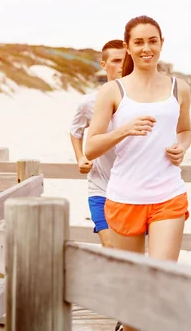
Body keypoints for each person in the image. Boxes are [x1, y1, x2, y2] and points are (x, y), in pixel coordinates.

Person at [85, 15, 191, 260]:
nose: (147, 48)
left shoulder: (179, 88)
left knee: (163, 275)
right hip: (125, 196)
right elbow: (90, 148)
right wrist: (124, 130)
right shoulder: (112, 91)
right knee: (131, 281)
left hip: (169, 195)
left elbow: (185, 131)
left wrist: (182, 147)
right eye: (139, 42)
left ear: (161, 43)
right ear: (128, 47)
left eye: (153, 41)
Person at [69, 39, 125, 248]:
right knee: (111, 251)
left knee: (131, 257)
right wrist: (80, 157)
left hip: (133, 191)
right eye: (117, 60)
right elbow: (75, 132)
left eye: (126, 60)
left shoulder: (141, 101)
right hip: (100, 188)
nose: (122, 65)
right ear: (104, 65)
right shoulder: (89, 102)